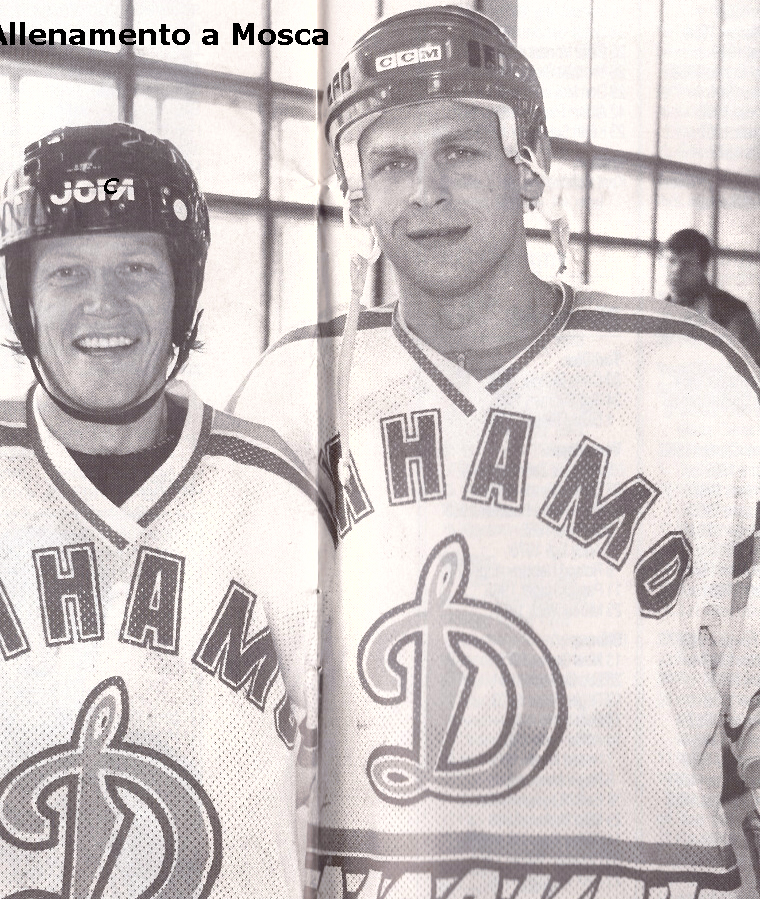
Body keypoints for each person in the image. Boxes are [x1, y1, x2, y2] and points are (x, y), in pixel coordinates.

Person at [228, 8, 760, 897]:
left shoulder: (687, 375)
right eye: (390, 162)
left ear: (528, 165)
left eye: (459, 151)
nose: (424, 191)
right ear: (356, 192)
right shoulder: (294, 389)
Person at [0, 123, 327, 899]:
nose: (102, 302)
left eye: (137, 267)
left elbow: (344, 779)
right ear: (22, 299)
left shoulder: (273, 491)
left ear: (182, 289)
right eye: (66, 272)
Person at [664, 228, 760, 364]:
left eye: (687, 263)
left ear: (704, 267)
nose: (676, 270)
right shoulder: (657, 311)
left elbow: (749, 368)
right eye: (671, 260)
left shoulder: (733, 311)